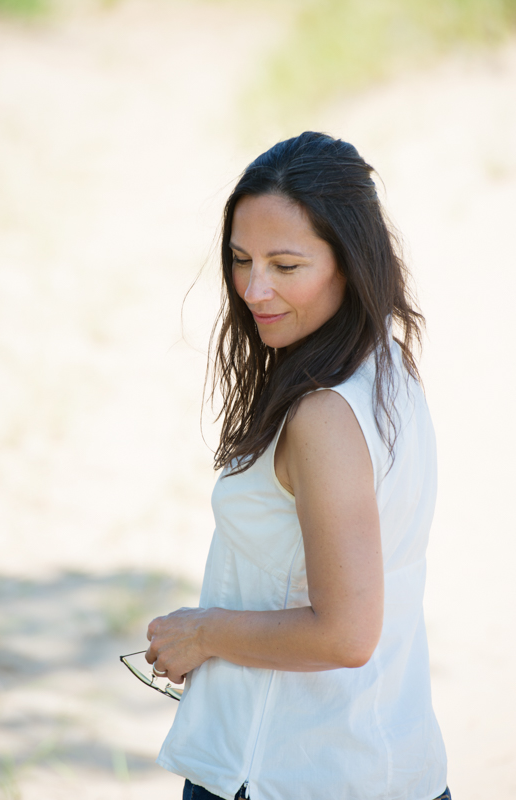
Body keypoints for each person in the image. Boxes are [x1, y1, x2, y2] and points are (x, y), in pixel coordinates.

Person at [145, 132, 449, 800]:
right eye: (240, 258)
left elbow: (345, 632)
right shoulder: (389, 368)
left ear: (349, 261)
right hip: (386, 762)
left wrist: (201, 633)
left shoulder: (322, 416)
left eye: (286, 265)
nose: (254, 289)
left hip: (287, 774)